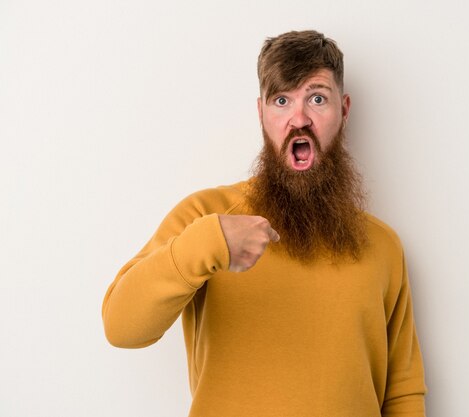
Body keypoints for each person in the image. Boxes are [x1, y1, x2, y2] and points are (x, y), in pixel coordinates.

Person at [102, 30, 427, 417]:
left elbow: (403, 392)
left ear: (344, 110)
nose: (299, 118)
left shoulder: (383, 245)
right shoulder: (206, 217)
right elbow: (121, 327)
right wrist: (208, 245)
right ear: (261, 114)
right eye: (282, 100)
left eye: (317, 98)